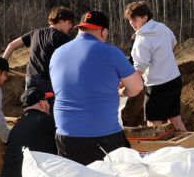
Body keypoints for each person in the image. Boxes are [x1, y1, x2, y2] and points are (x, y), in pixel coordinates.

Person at [49, 11, 144, 165]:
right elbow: (137, 87)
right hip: (103, 135)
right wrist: (122, 92)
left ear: (80, 29)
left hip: (65, 136)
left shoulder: (57, 54)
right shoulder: (111, 52)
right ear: (103, 32)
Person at [124, 1, 186, 131]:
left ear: (145, 18)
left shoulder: (141, 40)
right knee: (175, 120)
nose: (131, 23)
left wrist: (123, 83)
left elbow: (139, 69)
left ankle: (160, 151)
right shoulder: (161, 27)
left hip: (157, 86)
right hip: (174, 80)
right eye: (130, 20)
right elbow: (173, 43)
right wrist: (162, 59)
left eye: (134, 19)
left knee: (154, 126)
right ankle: (193, 150)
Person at [2, 7, 75, 98]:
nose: (70, 26)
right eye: (69, 23)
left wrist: (2, 64)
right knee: (48, 110)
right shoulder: (63, 38)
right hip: (48, 81)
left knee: (31, 108)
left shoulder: (35, 33)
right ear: (60, 21)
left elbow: (11, 45)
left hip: (30, 79)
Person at [0, 89, 56, 177]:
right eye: (47, 102)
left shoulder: (17, 127)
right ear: (41, 103)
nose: (49, 105)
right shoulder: (47, 121)